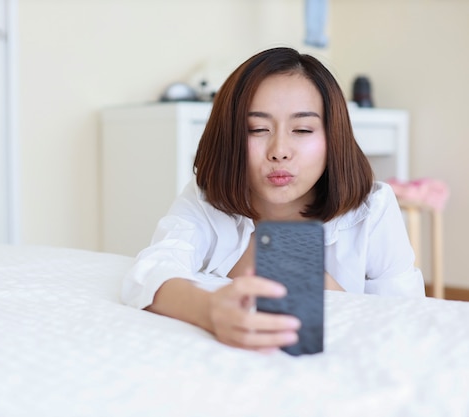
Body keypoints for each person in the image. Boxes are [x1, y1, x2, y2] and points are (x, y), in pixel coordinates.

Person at [121, 47, 425, 353]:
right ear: (230, 138)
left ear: (333, 137)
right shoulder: (206, 200)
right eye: (258, 129)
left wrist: (327, 290)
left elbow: (409, 318)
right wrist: (209, 309)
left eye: (303, 129)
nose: (279, 150)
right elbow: (151, 270)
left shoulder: (372, 210)